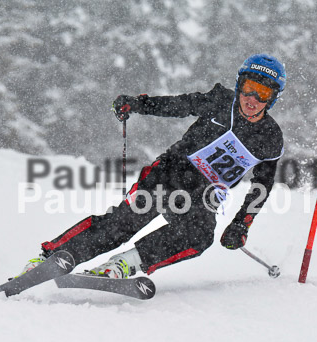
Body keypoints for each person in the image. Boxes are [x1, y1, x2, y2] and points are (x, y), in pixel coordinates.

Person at [20, 53, 286, 279]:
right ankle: (52, 257)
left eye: (262, 93)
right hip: (171, 173)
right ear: (240, 84)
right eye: (249, 87)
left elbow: (261, 186)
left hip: (204, 195)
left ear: (272, 99)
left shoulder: (270, 138)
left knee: (199, 238)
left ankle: (123, 264)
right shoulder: (219, 102)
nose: (252, 98)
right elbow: (178, 105)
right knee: (129, 219)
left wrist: (242, 224)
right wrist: (138, 104)